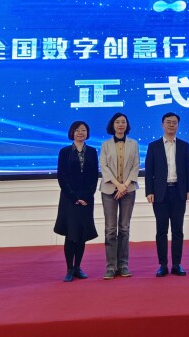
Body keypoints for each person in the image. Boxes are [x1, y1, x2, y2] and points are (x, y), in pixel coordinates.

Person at [145, 112, 189, 277]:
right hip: (160, 193)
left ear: (178, 125)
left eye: (174, 122)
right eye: (168, 122)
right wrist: (149, 191)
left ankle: (177, 264)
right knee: (161, 230)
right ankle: (163, 264)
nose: (171, 125)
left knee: (178, 229)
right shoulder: (154, 146)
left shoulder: (184, 146)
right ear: (162, 125)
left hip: (179, 192)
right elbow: (149, 171)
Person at [53, 121, 99, 282]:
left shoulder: (92, 151)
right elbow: (61, 176)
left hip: (86, 199)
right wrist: (74, 197)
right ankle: (69, 269)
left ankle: (78, 267)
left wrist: (86, 196)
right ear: (72, 133)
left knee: (82, 234)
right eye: (77, 130)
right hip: (69, 199)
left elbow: (94, 176)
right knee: (71, 234)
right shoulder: (64, 152)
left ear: (87, 133)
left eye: (83, 130)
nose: (80, 133)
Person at [99, 112, 140, 280]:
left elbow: (136, 166)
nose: (121, 124)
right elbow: (104, 166)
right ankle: (111, 266)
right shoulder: (105, 145)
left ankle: (123, 265)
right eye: (117, 122)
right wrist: (118, 185)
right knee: (110, 230)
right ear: (113, 125)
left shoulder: (134, 144)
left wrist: (125, 185)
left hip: (128, 190)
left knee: (124, 228)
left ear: (127, 125)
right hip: (109, 189)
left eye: (123, 122)